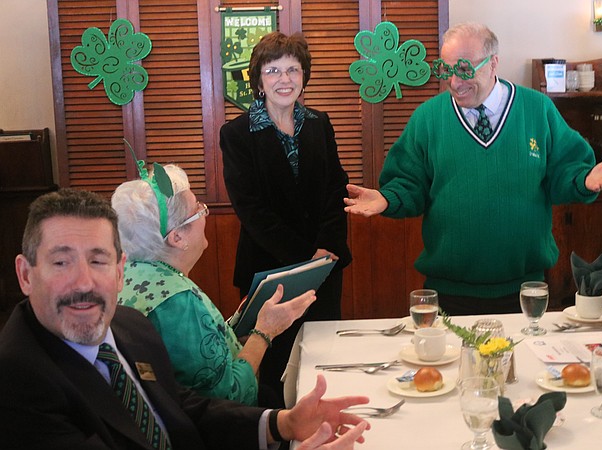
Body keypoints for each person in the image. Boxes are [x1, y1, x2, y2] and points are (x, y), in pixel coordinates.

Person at [0, 188, 369, 450]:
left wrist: (281, 423)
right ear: (25, 274)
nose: (83, 282)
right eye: (61, 262)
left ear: (119, 270)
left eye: (98, 260)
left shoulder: (128, 326)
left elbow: (182, 408)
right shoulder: (18, 383)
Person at [343, 22, 602, 315]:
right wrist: (388, 199)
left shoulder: (537, 109)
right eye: (446, 70)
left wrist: (584, 180)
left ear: (493, 63)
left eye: (463, 69)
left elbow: (565, 171)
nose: (454, 82)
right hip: (449, 291)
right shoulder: (428, 118)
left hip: (526, 289)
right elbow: (409, 183)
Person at [112, 163, 315, 408]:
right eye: (199, 210)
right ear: (177, 237)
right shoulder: (177, 302)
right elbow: (230, 397)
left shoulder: (128, 272)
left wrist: (238, 324)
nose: (204, 214)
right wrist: (265, 331)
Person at [220, 31, 351, 405]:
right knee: (277, 367)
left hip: (324, 265)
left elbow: (335, 189)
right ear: (258, 79)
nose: (285, 79)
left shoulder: (319, 123)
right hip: (270, 271)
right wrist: (303, 258)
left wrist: (325, 251)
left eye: (293, 70)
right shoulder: (236, 133)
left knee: (323, 361)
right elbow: (251, 209)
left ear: (303, 76)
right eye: (273, 70)